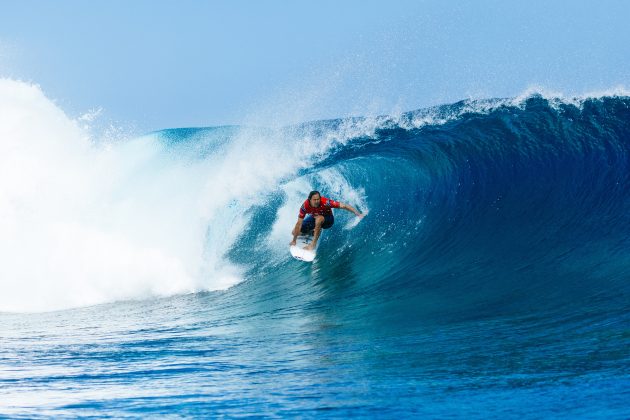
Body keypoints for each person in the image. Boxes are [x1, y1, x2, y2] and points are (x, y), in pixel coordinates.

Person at [290, 190, 364, 251]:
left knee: (319, 219)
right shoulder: (305, 206)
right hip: (314, 217)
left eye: (318, 199)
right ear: (310, 200)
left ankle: (313, 244)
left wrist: (358, 214)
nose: (317, 201)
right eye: (314, 200)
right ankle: (313, 231)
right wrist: (294, 240)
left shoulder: (326, 202)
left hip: (328, 220)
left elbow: (344, 206)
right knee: (294, 232)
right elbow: (299, 223)